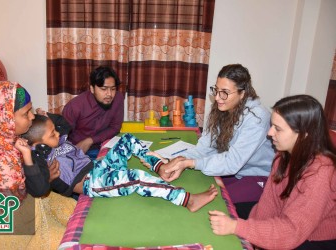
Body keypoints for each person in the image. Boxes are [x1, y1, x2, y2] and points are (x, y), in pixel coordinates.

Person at [20, 112, 218, 212]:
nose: (58, 134)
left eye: (55, 131)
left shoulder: (57, 139)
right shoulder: (39, 157)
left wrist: (48, 117)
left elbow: (65, 125)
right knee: (137, 178)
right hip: (92, 183)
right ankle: (186, 199)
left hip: (98, 167)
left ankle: (161, 167)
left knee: (128, 139)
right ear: (37, 143)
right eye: (52, 134)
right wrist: (29, 152)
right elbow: (37, 185)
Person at [209, 95, 336, 250]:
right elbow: (268, 204)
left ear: (304, 134)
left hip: (314, 240)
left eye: (278, 128)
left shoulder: (322, 172)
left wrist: (238, 228)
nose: (269, 133)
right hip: (289, 225)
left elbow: (292, 231)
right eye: (271, 125)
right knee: (230, 214)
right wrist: (254, 239)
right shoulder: (282, 156)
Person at [0, 81, 76, 250]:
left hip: (20, 203)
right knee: (67, 242)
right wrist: (43, 183)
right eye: (25, 113)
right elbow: (10, 223)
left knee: (75, 210)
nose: (32, 117)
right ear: (4, 118)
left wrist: (43, 181)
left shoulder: (1, 137)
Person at [150, 64, 275, 217]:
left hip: (256, 176)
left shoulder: (257, 118)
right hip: (235, 171)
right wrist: (177, 159)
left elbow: (232, 163)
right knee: (198, 188)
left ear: (243, 93)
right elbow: (206, 146)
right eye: (216, 90)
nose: (217, 98)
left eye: (225, 93)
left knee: (217, 204)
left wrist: (190, 163)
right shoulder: (222, 108)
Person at [62, 66, 124, 160]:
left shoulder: (118, 98)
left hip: (105, 145)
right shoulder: (74, 107)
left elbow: (115, 127)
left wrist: (90, 140)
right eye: (104, 89)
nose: (109, 94)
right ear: (92, 89)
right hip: (78, 151)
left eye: (113, 89)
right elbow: (62, 138)